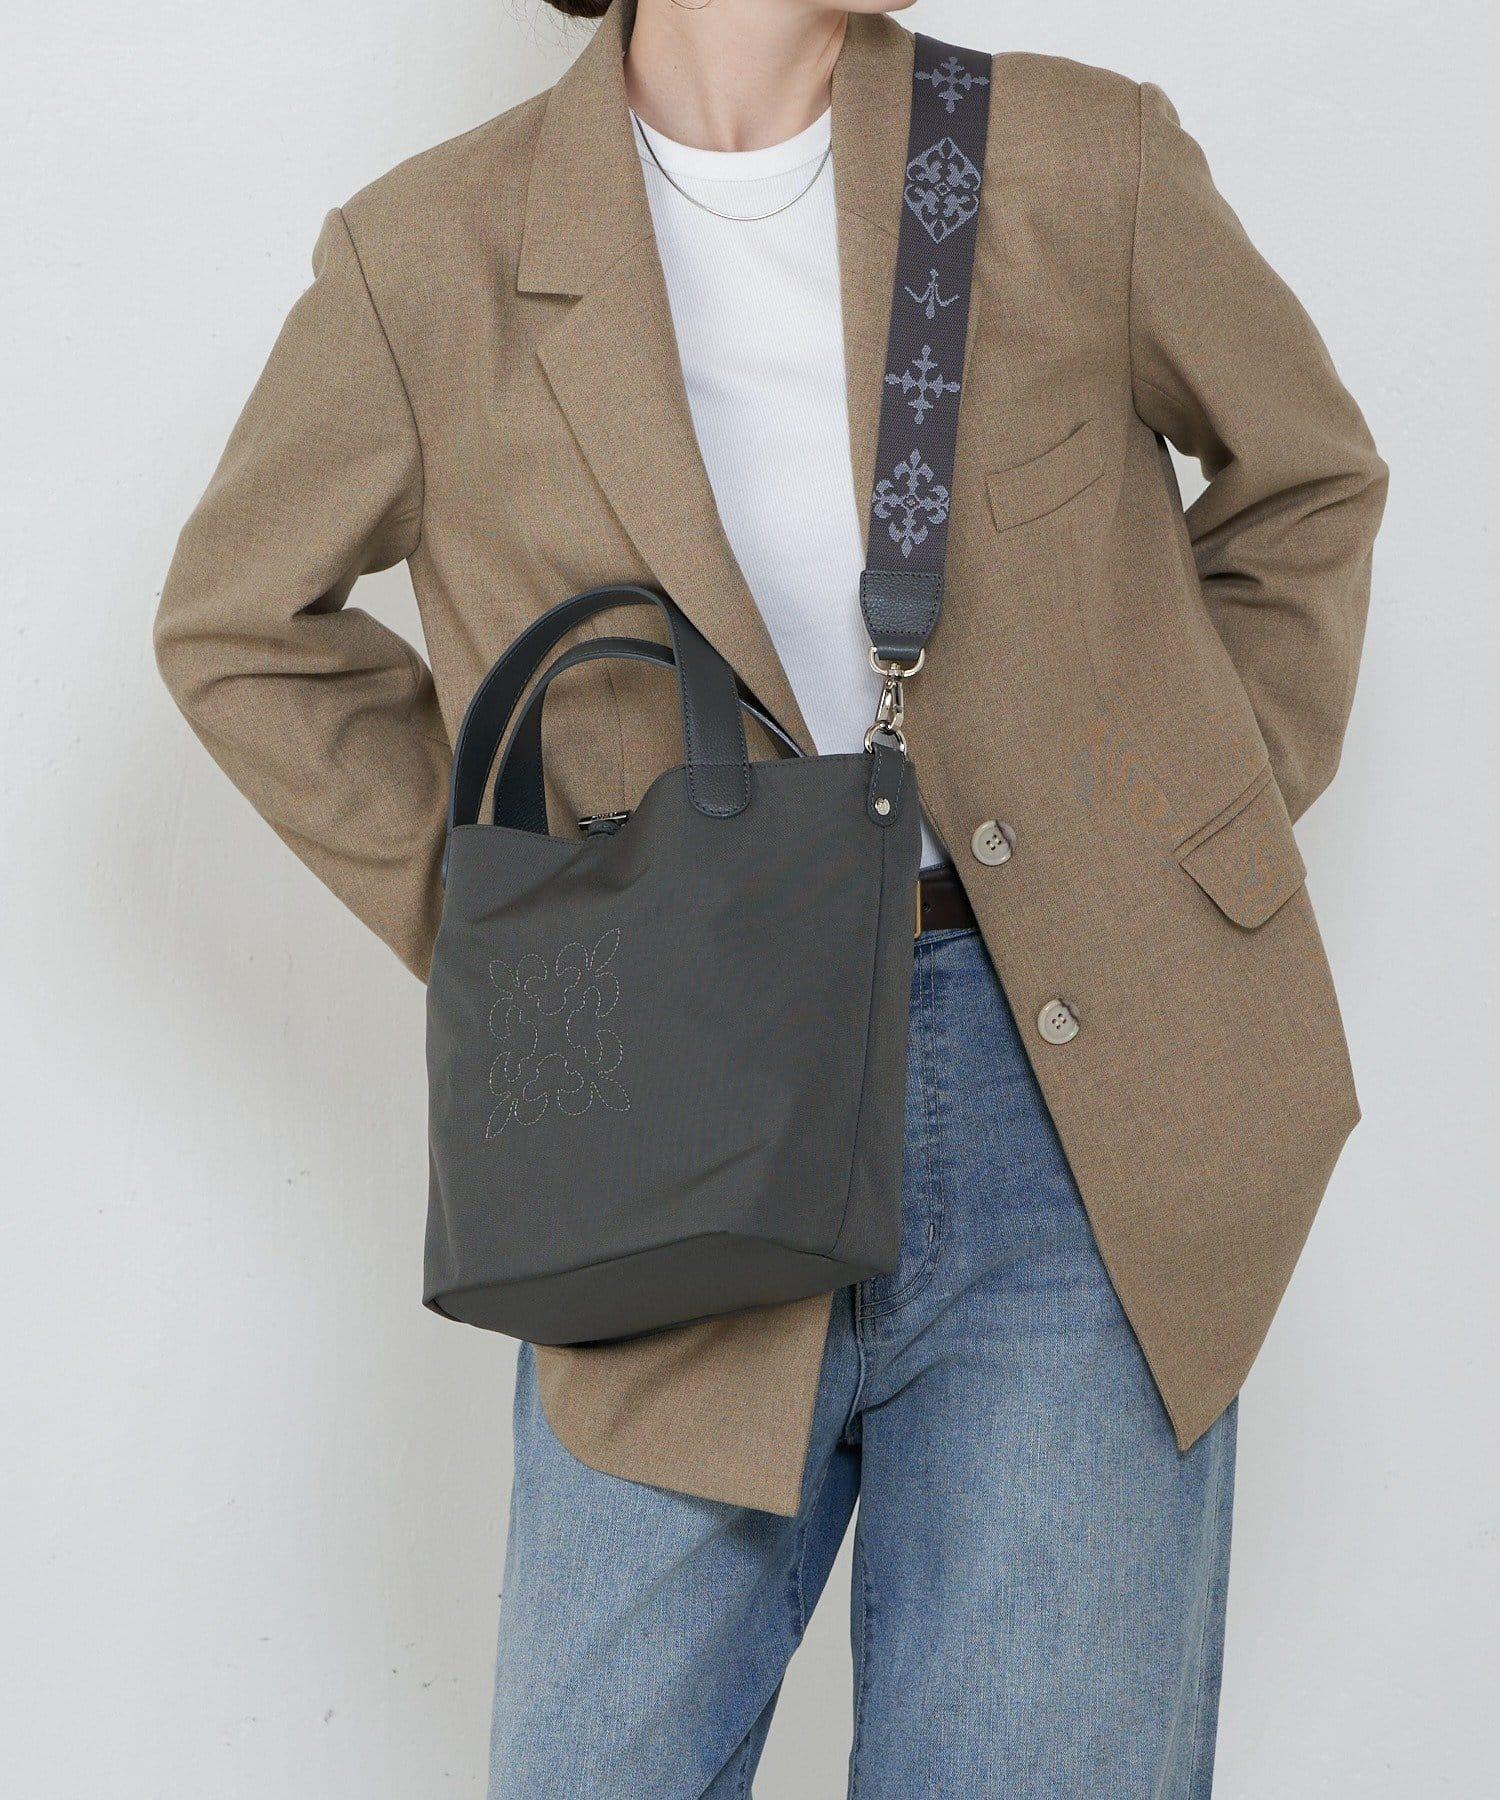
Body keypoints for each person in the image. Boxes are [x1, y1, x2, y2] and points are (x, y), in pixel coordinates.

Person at [154, 0, 1387, 1792]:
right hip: (670, 1113)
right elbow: (238, 629)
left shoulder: (1073, 159)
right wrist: (528, 941)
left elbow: (1309, 483)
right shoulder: (428, 256)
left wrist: (1178, 838)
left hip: (1079, 1109)